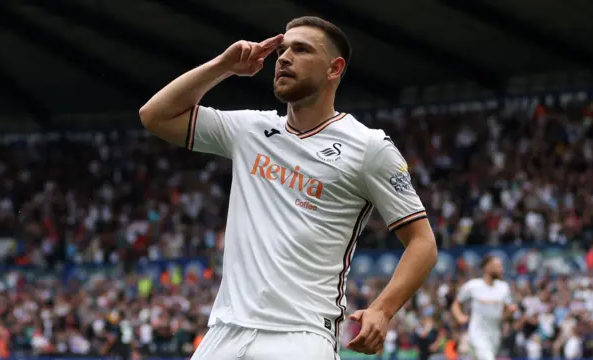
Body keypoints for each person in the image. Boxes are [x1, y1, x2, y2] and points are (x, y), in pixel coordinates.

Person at [139, 16, 437, 359]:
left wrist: (382, 310)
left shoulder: (369, 147)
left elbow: (423, 242)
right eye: (282, 50)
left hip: (300, 335)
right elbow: (155, 115)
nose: (283, 57)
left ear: (334, 68)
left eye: (302, 49)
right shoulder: (250, 130)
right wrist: (223, 66)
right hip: (225, 331)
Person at [451, 256, 517, 360]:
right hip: (477, 333)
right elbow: (455, 304)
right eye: (498, 266)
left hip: (494, 334)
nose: (501, 269)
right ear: (487, 267)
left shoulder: (504, 287)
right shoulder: (473, 286)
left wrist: (510, 312)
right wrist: (460, 317)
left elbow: (504, 315)